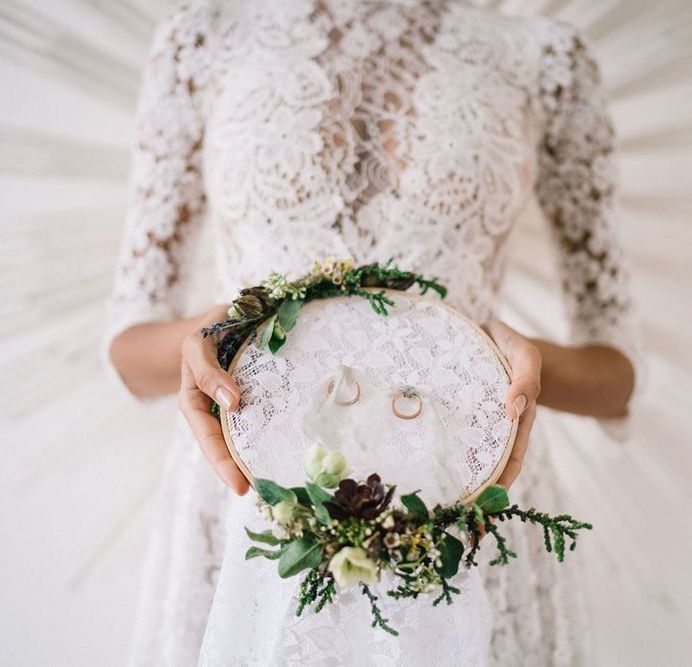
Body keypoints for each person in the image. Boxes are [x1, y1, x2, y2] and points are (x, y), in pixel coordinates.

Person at [105, 1, 636, 664]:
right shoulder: (204, 39)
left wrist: (514, 366)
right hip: (250, 506)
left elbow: (616, 374)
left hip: (468, 499)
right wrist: (212, 335)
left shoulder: (540, 57)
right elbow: (129, 352)